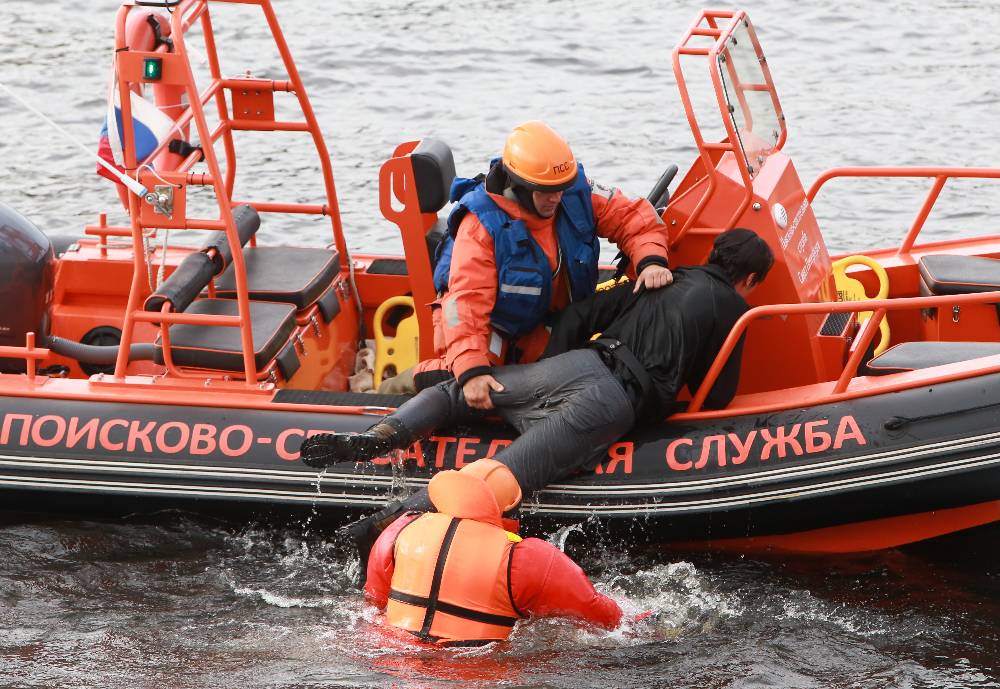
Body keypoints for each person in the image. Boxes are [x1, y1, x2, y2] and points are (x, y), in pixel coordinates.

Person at [303, 228, 774, 553]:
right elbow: (717, 400)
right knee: (494, 479)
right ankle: (370, 530)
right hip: (610, 403)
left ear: (712, 254)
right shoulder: (732, 306)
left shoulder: (659, 278)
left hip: (577, 364)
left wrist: (551, 371)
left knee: (455, 392)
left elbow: (575, 318)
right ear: (749, 280)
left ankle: (382, 435)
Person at [399, 120, 673, 397]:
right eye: (545, 191)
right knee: (464, 380)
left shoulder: (573, 193)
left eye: (561, 188)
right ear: (518, 184)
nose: (555, 198)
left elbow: (631, 217)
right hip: (487, 328)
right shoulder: (483, 225)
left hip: (544, 322)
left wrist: (650, 260)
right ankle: (399, 385)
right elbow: (466, 301)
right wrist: (471, 368)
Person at [364, 458, 622, 645]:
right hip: (476, 671)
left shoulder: (402, 528)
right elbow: (603, 618)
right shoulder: (527, 557)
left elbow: (375, 602)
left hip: (395, 658)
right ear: (511, 509)